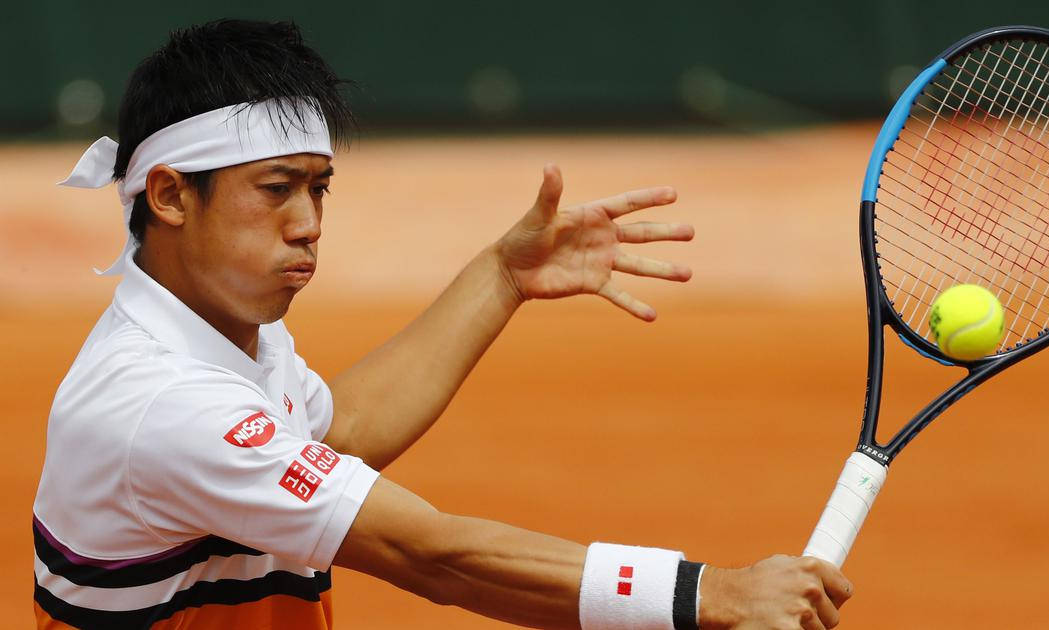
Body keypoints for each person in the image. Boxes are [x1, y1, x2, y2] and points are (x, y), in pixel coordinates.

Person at [33, 19, 852, 630]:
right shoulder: (164, 401)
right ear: (171, 196)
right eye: (276, 188)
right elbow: (434, 555)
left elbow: (337, 432)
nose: (309, 221)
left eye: (319, 188)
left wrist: (500, 276)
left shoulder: (222, 327)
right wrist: (709, 594)